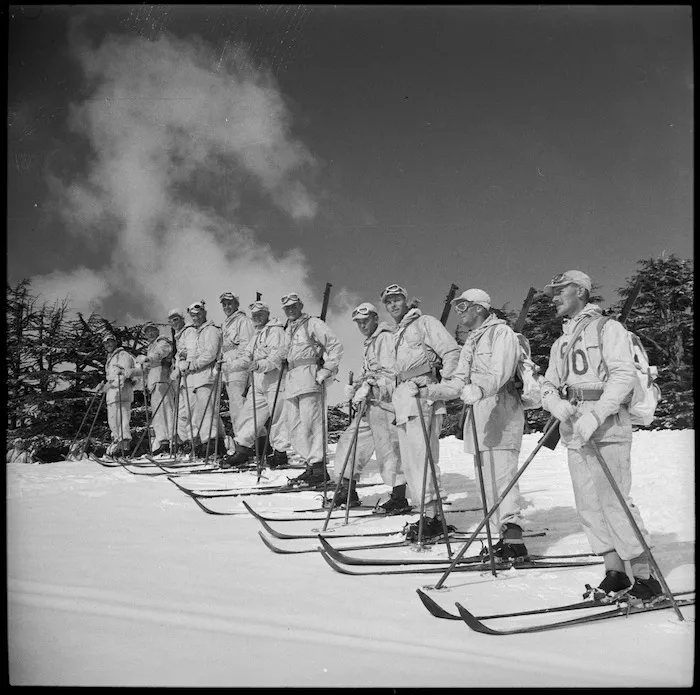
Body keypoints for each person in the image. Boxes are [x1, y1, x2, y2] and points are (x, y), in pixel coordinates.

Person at [540, 269, 661, 601]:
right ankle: (616, 572)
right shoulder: (561, 341)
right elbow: (547, 384)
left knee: (615, 502)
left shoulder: (609, 328)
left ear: (580, 291)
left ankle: (646, 577)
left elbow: (623, 376)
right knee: (589, 504)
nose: (553, 297)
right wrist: (556, 404)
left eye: (560, 290)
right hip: (574, 429)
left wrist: (596, 413)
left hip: (607, 426)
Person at [427, 288, 528, 559]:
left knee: (502, 476)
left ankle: (514, 540)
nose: (459, 313)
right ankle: (502, 538)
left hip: (501, 412)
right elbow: (459, 381)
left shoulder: (501, 334)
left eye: (463, 307)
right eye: (457, 307)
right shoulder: (472, 342)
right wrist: (431, 391)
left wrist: (480, 390)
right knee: (486, 481)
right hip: (479, 417)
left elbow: (500, 372)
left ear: (480, 308)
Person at [382, 283, 461, 541]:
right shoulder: (396, 334)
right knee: (411, 462)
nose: (393, 305)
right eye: (388, 301)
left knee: (423, 459)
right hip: (403, 400)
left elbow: (451, 351)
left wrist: (445, 385)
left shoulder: (424, 322)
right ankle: (426, 513)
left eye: (397, 299)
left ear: (406, 301)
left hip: (423, 396)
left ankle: (433, 516)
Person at [331, 302, 408, 512]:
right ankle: (347, 491)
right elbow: (371, 372)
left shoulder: (385, 338)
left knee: (389, 451)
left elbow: (392, 373)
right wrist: (357, 386)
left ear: (375, 318)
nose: (362, 325)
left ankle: (399, 497)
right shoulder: (371, 342)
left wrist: (370, 387)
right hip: (370, 405)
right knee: (349, 442)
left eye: (365, 321)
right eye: (359, 323)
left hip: (386, 404)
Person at [282, 292, 343, 487]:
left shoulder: (312, 323)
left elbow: (335, 345)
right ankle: (310, 463)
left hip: (310, 377)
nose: (290, 310)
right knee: (293, 426)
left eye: (293, 306)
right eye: (287, 307)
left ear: (300, 305)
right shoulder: (288, 329)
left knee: (312, 424)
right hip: (291, 380)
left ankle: (318, 469)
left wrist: (327, 369)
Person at [222, 301, 291, 469]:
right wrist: (230, 364)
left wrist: (263, 365)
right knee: (249, 414)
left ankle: (280, 453)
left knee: (277, 416)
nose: (257, 317)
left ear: (267, 313)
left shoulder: (276, 330)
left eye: (261, 313)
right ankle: (243, 449)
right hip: (258, 380)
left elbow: (279, 353)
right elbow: (247, 356)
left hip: (274, 379)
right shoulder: (256, 334)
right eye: (254, 315)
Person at [179, 301, 226, 457]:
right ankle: (217, 443)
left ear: (204, 313)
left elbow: (210, 354)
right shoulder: (194, 332)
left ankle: (211, 442)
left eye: (198, 314)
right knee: (203, 411)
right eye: (193, 315)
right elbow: (186, 350)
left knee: (206, 412)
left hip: (208, 375)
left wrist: (192, 365)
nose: (196, 318)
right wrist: (183, 358)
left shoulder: (211, 330)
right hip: (197, 378)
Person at [137, 322, 175, 456]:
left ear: (157, 331)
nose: (150, 334)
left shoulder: (162, 342)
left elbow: (161, 353)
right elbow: (147, 366)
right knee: (158, 415)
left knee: (166, 411)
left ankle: (173, 440)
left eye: (152, 331)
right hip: (154, 383)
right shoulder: (151, 347)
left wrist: (148, 358)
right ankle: (163, 441)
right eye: (147, 332)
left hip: (162, 379)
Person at [219, 292, 255, 434]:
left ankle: (246, 444)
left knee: (240, 408)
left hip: (239, 369)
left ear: (237, 304)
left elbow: (247, 345)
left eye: (230, 303)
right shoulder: (227, 323)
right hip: (229, 371)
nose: (227, 307)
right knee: (236, 408)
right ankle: (247, 440)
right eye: (224, 304)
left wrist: (236, 363)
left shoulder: (243, 321)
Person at [168, 308, 198, 453]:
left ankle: (194, 441)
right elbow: (180, 356)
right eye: (171, 320)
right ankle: (186, 441)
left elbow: (192, 352)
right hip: (182, 378)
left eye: (176, 319)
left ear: (182, 319)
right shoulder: (178, 336)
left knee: (191, 411)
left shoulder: (189, 331)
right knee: (180, 413)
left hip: (192, 376)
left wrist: (183, 364)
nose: (174, 323)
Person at [102, 333, 137, 457]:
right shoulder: (110, 358)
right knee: (113, 421)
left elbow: (124, 374)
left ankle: (124, 447)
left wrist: (111, 385)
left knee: (122, 420)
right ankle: (116, 444)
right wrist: (105, 386)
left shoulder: (123, 355)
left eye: (110, 341)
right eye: (106, 343)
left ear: (115, 342)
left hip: (122, 393)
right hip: (112, 396)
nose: (108, 345)